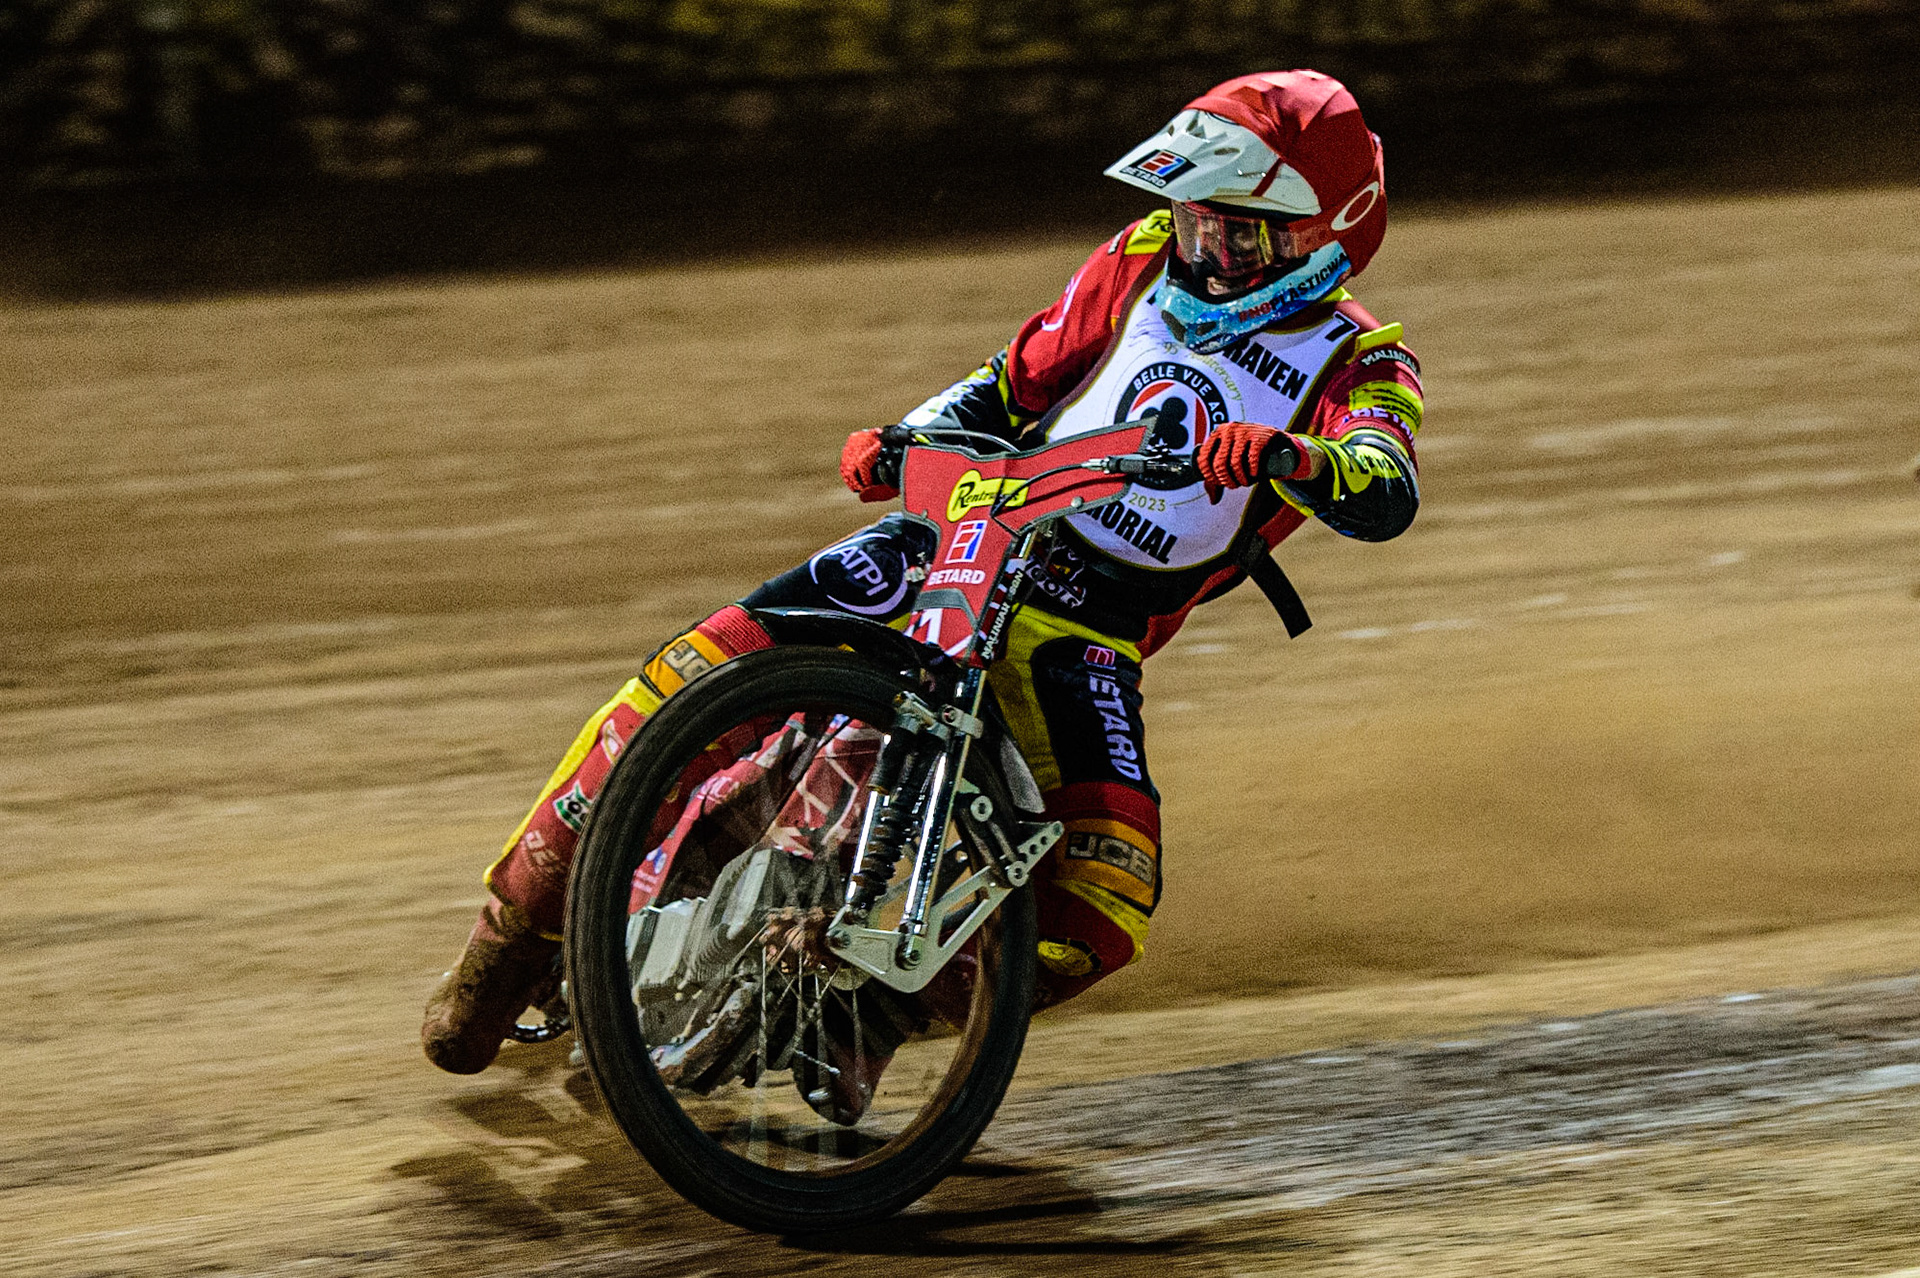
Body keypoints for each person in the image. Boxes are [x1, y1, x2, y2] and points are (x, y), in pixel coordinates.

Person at [423, 70, 1425, 1102]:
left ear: (1331, 231)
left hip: (1087, 630)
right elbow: (1010, 382)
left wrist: (1297, 460)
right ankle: (504, 947)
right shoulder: (1136, 260)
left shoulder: (1365, 363)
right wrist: (906, 434)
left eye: (1241, 235)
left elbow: (1386, 486)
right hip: (962, 538)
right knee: (687, 680)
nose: (1206, 253)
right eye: (1195, 221)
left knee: (1107, 897)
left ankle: (870, 1011)